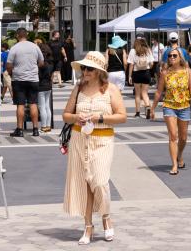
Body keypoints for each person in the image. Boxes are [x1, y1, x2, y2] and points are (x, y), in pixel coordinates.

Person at [62, 51, 127, 244]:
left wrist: (100, 118)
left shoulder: (110, 89)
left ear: (99, 71)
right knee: (84, 185)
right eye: (83, 68)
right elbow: (66, 114)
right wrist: (76, 118)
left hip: (102, 140)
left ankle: (106, 217)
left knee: (99, 181)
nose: (85, 71)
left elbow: (122, 116)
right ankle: (88, 226)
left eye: (89, 68)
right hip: (79, 139)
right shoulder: (78, 88)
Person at [150, 48, 191, 174]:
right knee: (173, 136)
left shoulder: (187, 71)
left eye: (174, 55)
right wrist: (152, 109)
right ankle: (174, 165)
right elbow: (158, 92)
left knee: (183, 138)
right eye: (170, 56)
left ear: (180, 57)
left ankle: (179, 155)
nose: (172, 58)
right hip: (169, 106)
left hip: (184, 107)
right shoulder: (165, 73)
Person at [6, 28, 44, 137]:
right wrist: (33, 67)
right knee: (33, 103)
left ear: (18, 35)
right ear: (26, 35)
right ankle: (35, 129)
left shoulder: (14, 48)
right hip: (33, 79)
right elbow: (41, 62)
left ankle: (20, 129)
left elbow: (8, 65)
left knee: (20, 104)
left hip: (19, 79)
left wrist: (12, 73)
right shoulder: (34, 46)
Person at [127, 37, 154, 119]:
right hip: (146, 72)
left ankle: (138, 113)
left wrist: (129, 76)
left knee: (137, 94)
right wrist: (148, 67)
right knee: (145, 93)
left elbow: (131, 64)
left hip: (136, 73)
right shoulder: (148, 50)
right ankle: (148, 106)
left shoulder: (133, 51)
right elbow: (152, 63)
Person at [38, 43, 54, 132]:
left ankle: (43, 126)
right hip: (48, 85)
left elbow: (39, 75)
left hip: (41, 86)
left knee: (42, 107)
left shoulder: (41, 63)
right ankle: (48, 126)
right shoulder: (51, 62)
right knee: (47, 106)